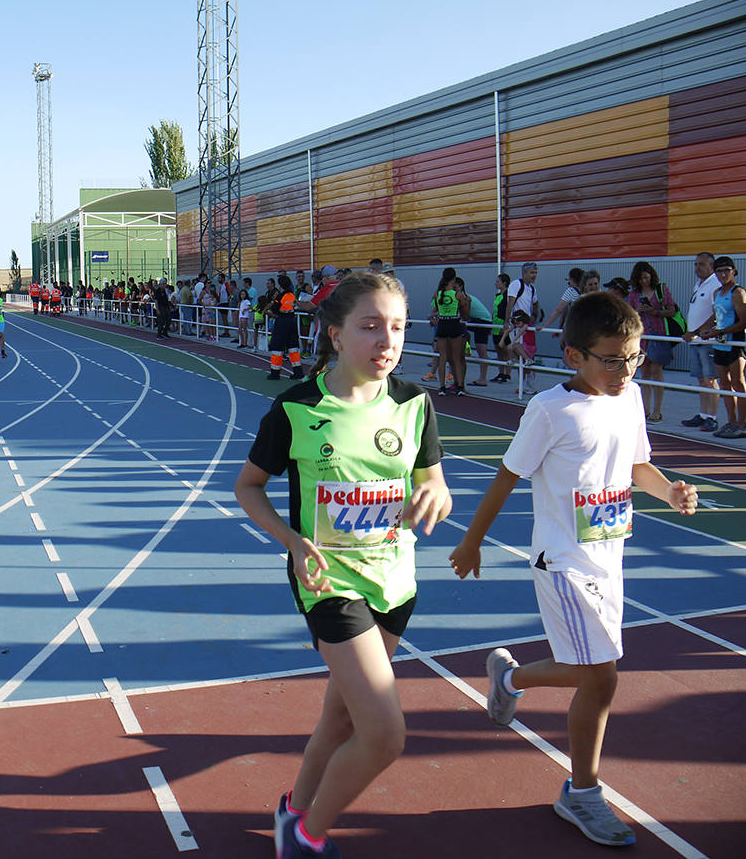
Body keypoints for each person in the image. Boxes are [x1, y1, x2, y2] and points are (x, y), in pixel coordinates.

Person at [449, 291, 697, 848]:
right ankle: (582, 792)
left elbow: (637, 466)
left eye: (632, 357)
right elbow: (507, 478)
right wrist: (471, 542)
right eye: (611, 359)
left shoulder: (629, 398)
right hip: (561, 560)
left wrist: (670, 491)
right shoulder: (548, 411)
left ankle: (507, 678)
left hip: (611, 554)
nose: (624, 369)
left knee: (584, 669)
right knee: (601, 676)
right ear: (573, 356)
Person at [234, 270, 451, 859]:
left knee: (342, 722)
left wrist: (436, 495)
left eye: (399, 327)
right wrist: (292, 541)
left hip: (395, 581)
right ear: (334, 334)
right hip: (328, 583)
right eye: (371, 326)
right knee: (384, 735)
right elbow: (248, 487)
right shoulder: (298, 409)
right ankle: (308, 838)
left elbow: (435, 482)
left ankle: (293, 811)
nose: (388, 340)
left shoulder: (414, 405)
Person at [697, 256, 746, 438]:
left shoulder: (738, 292)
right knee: (725, 384)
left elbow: (743, 322)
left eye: (727, 270)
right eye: (719, 271)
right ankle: (731, 421)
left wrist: (720, 331)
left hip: (735, 343)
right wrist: (702, 330)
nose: (723, 274)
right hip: (720, 344)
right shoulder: (717, 292)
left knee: (738, 383)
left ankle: (742, 423)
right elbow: (716, 316)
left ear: (733, 271)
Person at [626, 261, 678, 423]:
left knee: (657, 372)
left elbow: (672, 310)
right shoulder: (634, 294)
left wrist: (654, 311)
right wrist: (637, 311)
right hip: (641, 336)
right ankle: (645, 410)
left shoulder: (661, 290)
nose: (644, 281)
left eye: (646, 278)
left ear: (652, 276)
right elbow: (628, 314)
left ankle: (657, 410)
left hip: (658, 335)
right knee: (645, 373)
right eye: (640, 279)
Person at [680, 252, 721, 432]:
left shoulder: (715, 284)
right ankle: (703, 414)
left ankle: (712, 417)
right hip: (696, 341)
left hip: (707, 340)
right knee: (701, 380)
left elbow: (716, 314)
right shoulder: (699, 284)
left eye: (702, 265)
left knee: (710, 379)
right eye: (696, 264)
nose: (697, 268)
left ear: (711, 267)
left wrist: (697, 332)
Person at [429, 267, 468, 395]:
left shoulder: (437, 293)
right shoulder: (458, 294)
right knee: (456, 357)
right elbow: (465, 314)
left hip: (442, 325)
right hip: (454, 324)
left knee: (443, 357)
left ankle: (442, 386)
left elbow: (436, 309)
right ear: (454, 278)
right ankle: (460, 386)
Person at [454, 277, 492, 387]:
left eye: (454, 287)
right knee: (460, 328)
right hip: (476, 320)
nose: (452, 289)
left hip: (483, 321)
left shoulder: (465, 297)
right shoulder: (461, 297)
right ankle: (466, 347)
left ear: (460, 287)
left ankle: (483, 378)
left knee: (481, 350)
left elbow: (462, 314)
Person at [267, 275, 303, 380]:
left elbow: (274, 309)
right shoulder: (292, 295)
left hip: (282, 322)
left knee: (277, 348)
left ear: (280, 285)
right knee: (293, 348)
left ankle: (275, 373)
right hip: (292, 321)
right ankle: (298, 372)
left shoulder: (280, 296)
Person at [539, 267, 584, 343]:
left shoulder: (571, 291)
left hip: (573, 329)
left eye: (569, 281)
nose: (568, 284)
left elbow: (559, 310)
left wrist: (544, 326)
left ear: (572, 280)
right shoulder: (588, 291)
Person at [491, 273, 512, 382]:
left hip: (503, 327)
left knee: (506, 350)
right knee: (498, 350)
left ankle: (508, 374)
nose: (496, 283)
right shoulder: (498, 296)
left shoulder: (508, 296)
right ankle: (501, 373)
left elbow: (507, 311)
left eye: (498, 281)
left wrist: (505, 324)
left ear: (504, 283)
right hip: (495, 325)